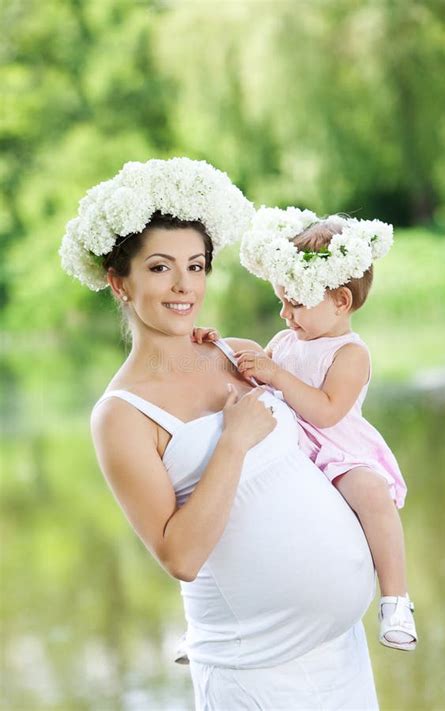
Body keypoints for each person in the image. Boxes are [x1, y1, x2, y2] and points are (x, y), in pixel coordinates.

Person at [60, 159, 379, 710]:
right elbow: (179, 556)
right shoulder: (121, 415)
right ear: (119, 281)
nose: (185, 286)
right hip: (257, 676)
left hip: (341, 655)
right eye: (160, 268)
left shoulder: (231, 352)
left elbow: (326, 413)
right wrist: (231, 442)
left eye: (197, 265)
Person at [235, 207, 417, 652]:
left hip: (335, 448)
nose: (284, 314)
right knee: (230, 491)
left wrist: (276, 376)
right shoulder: (286, 341)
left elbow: (327, 411)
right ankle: (226, 607)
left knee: (373, 495)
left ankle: (396, 599)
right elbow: (261, 370)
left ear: (340, 301)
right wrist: (227, 348)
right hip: (288, 443)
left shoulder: (350, 352)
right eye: (282, 300)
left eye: (295, 303)